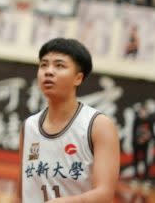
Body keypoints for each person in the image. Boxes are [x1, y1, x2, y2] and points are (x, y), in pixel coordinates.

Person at [19, 38, 119, 202]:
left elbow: (104, 195)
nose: (48, 71)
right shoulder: (29, 126)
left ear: (78, 78)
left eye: (59, 65)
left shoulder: (98, 125)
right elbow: (21, 193)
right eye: (44, 65)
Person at [132, 105, 154, 180]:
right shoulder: (137, 120)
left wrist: (145, 139)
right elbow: (133, 132)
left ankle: (146, 177)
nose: (143, 113)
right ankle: (136, 176)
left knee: (146, 160)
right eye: (141, 112)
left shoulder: (150, 121)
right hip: (137, 143)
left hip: (146, 144)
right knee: (136, 159)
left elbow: (152, 133)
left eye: (144, 112)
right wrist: (137, 140)